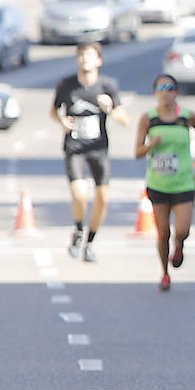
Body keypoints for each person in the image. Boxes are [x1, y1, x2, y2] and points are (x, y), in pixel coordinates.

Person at [133, 74, 195, 291]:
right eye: (160, 88)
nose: (165, 92)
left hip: (184, 181)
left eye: (169, 88)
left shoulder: (187, 116)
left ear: (176, 92)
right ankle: (165, 273)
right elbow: (137, 152)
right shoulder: (148, 119)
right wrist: (151, 145)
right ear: (155, 93)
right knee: (163, 231)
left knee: (183, 229)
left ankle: (180, 245)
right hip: (158, 183)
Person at [52, 41, 128, 262]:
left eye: (89, 55)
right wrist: (61, 121)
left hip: (98, 148)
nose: (84, 59)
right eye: (81, 55)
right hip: (74, 147)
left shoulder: (107, 86)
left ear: (99, 60)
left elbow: (125, 119)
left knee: (103, 197)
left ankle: (90, 241)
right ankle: (78, 229)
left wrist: (110, 109)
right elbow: (53, 110)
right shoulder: (66, 85)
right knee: (79, 193)